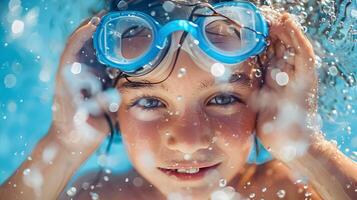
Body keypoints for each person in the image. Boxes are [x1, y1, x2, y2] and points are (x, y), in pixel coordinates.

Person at [0, 0, 356, 199]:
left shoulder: (291, 192)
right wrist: (65, 142)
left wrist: (305, 146)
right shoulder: (100, 195)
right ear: (109, 101)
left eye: (223, 99)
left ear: (267, 97)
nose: (188, 140)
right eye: (151, 102)